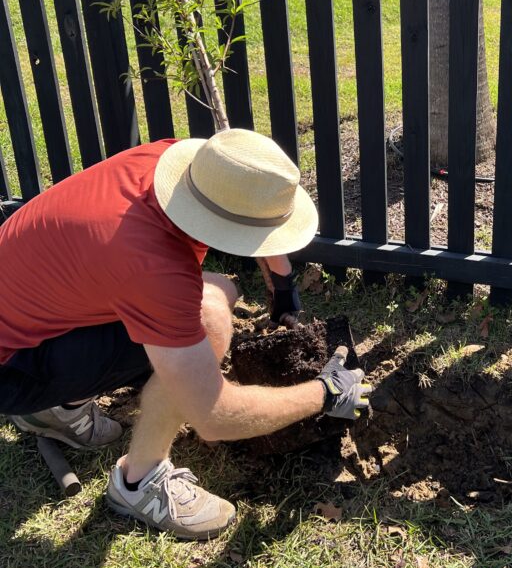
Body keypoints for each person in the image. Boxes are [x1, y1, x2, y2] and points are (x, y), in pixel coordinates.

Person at [0, 129, 371, 540]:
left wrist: (283, 287)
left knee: (221, 289)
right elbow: (213, 417)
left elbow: (248, 208)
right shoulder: (155, 268)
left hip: (31, 315)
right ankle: (139, 484)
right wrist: (325, 392)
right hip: (14, 370)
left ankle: (56, 409)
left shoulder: (173, 161)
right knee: (209, 318)